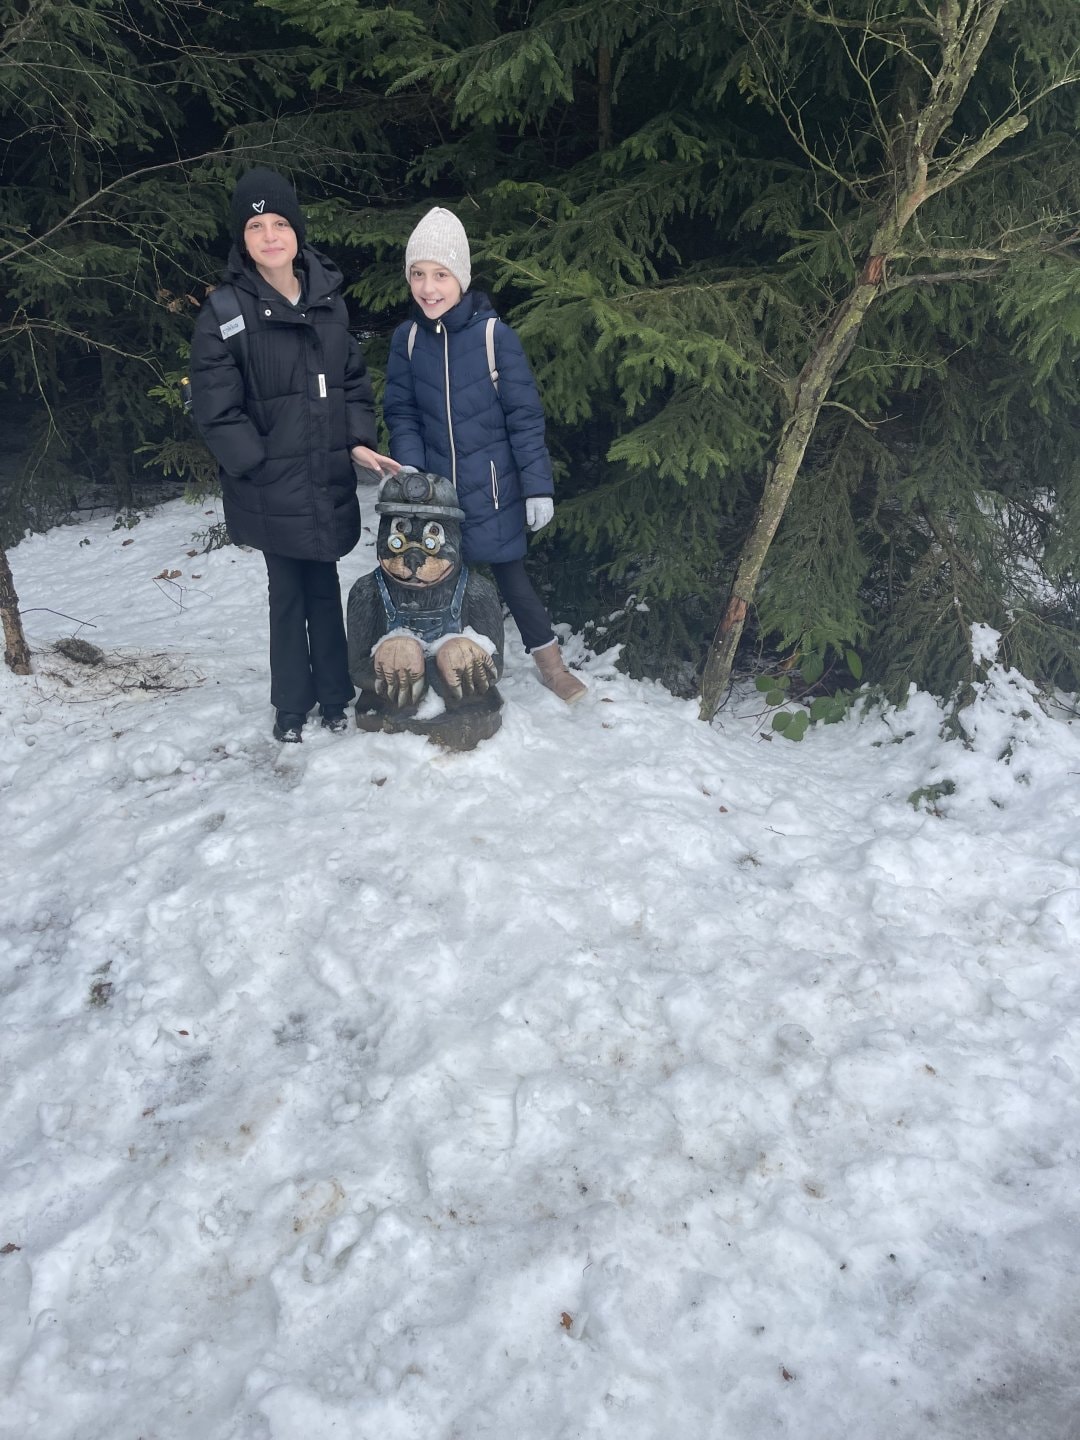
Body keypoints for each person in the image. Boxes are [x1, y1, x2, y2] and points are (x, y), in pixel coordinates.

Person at [189, 167, 399, 742]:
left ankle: (334, 695)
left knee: (324, 586)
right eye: (256, 226)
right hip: (269, 483)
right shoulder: (225, 312)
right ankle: (290, 705)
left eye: (280, 223)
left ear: (297, 231)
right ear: (243, 239)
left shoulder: (328, 302)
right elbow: (215, 406)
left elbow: (352, 382)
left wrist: (356, 440)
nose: (270, 236)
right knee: (286, 593)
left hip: (324, 475)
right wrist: (255, 463)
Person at [382, 207, 586, 704]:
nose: (428, 287)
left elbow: (524, 418)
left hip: (493, 491)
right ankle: (446, 666)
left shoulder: (495, 338)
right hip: (435, 498)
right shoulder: (408, 340)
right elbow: (401, 411)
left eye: (440, 275)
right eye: (418, 274)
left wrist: (537, 488)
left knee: (513, 580)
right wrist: (410, 469)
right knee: (436, 583)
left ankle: (552, 666)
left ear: (461, 278)